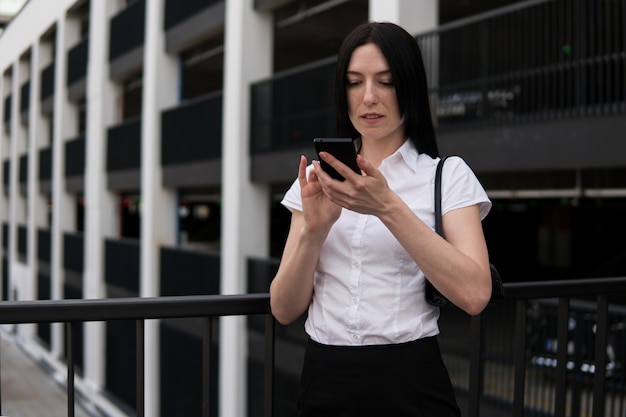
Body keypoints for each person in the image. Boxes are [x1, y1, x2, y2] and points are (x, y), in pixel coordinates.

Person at [269, 21, 492, 416]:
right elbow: (284, 309)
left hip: (411, 382)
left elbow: (475, 294)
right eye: (355, 82)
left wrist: (386, 207)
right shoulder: (317, 180)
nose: (368, 97)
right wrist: (314, 232)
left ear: (409, 86)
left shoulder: (446, 175)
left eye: (385, 81)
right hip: (323, 380)